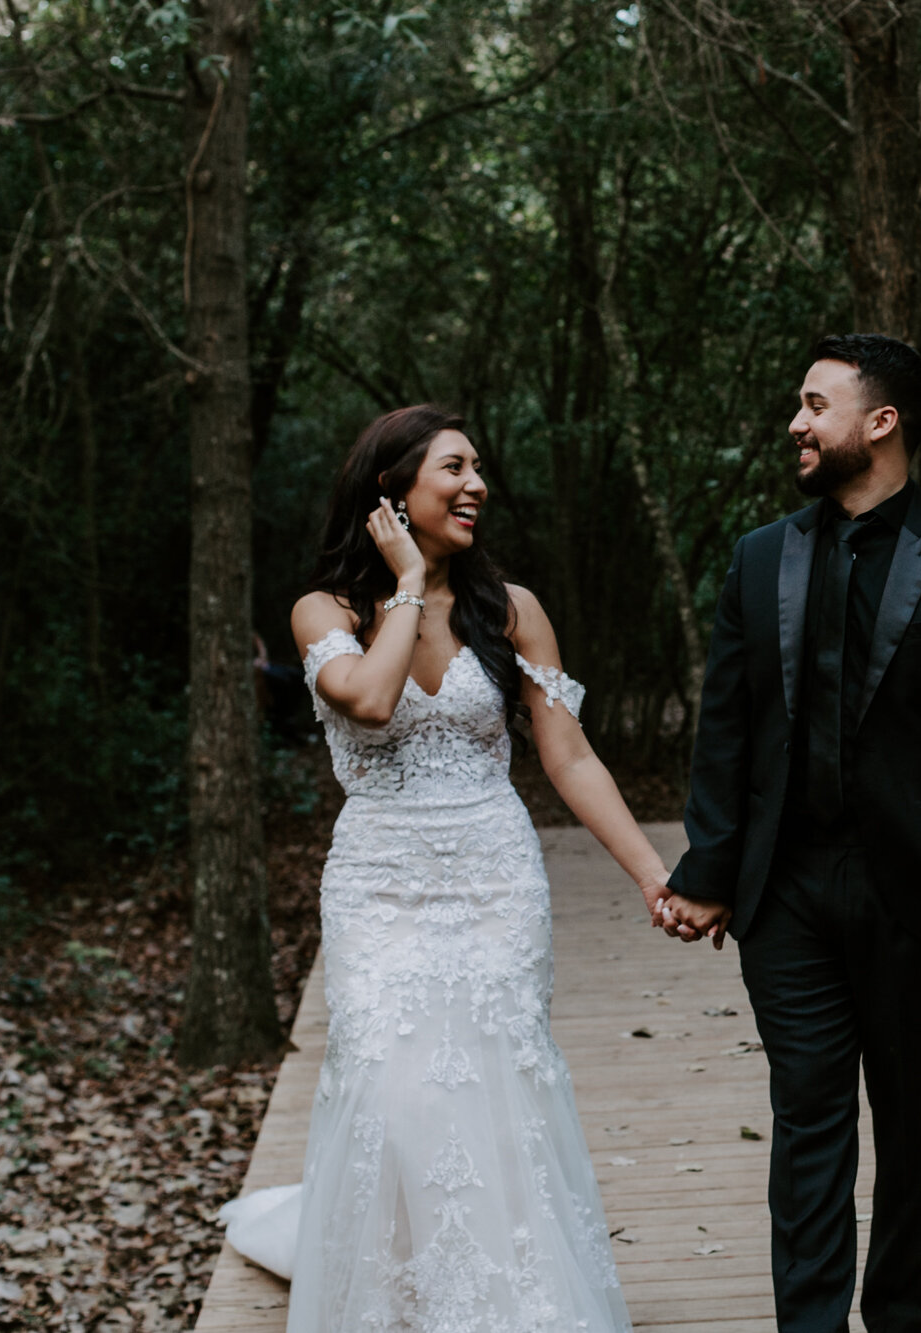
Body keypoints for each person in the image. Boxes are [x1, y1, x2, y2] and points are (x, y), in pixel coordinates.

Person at [219, 405, 672, 1333]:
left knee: (501, 1075)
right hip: (379, 883)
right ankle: (396, 1294)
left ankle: (515, 1299)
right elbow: (373, 700)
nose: (478, 486)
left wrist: (649, 872)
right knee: (393, 1079)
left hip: (495, 874)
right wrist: (410, 583)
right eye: (455, 468)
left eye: (479, 469)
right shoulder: (324, 611)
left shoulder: (514, 610)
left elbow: (569, 756)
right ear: (393, 493)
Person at [659, 335, 921, 1333]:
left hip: (912, 894)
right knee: (808, 1125)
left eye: (813, 403)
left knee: (910, 1128)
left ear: (879, 423)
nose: (794, 422)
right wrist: (709, 867)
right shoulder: (757, 559)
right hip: (782, 892)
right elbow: (726, 731)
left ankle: (895, 1321)